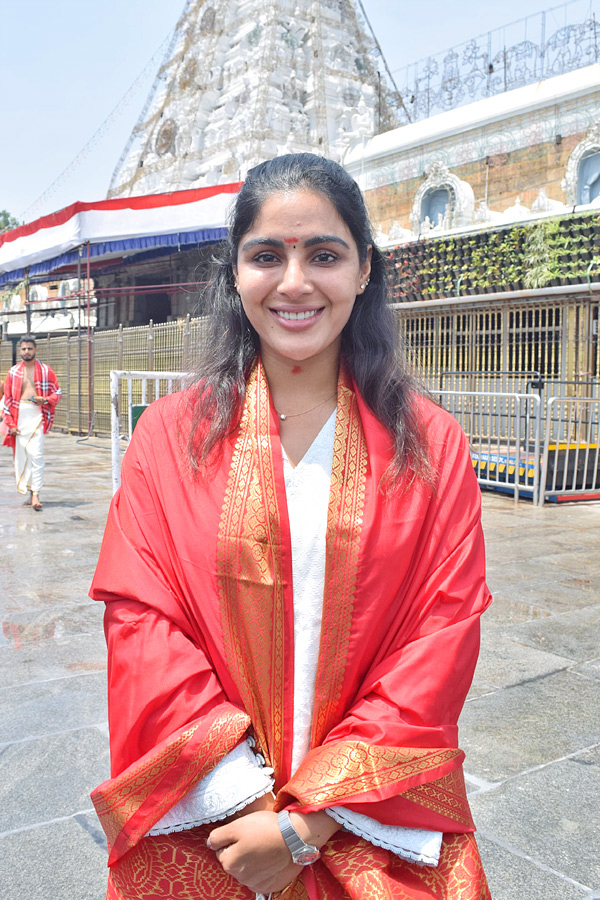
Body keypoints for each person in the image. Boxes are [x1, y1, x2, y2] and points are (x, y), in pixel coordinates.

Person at [90, 154, 492, 900]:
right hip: (212, 820)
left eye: (325, 255)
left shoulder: (432, 446)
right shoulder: (170, 438)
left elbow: (441, 638)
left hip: (366, 822)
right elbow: (142, 622)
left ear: (364, 270)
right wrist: (250, 807)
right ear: (236, 274)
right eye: (267, 255)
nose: (296, 282)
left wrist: (307, 829)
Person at [2, 335, 62, 510]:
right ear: (20, 351)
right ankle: (30, 493)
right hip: (19, 415)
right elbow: (7, 400)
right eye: (23, 349)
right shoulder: (13, 372)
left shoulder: (46, 371)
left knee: (37, 455)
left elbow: (58, 393)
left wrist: (46, 399)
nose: (26, 351)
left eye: (30, 348)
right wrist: (11, 424)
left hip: (38, 415)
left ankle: (36, 493)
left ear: (36, 350)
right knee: (22, 458)